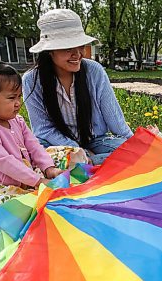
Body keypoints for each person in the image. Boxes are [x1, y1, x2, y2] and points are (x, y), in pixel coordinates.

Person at [22, 9, 133, 165]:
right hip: (57, 143)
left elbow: (115, 119)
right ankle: (93, 163)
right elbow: (43, 129)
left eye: (80, 46)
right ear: (49, 51)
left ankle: (88, 163)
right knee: (37, 157)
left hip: (95, 139)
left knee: (130, 151)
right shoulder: (31, 80)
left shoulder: (94, 71)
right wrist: (78, 150)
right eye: (68, 48)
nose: (78, 54)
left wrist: (135, 143)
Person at [0, 55, 63, 188]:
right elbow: (4, 162)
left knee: (65, 154)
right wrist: (37, 181)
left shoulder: (16, 120)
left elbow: (33, 145)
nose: (18, 103)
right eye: (12, 98)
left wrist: (48, 167)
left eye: (19, 96)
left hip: (21, 175)